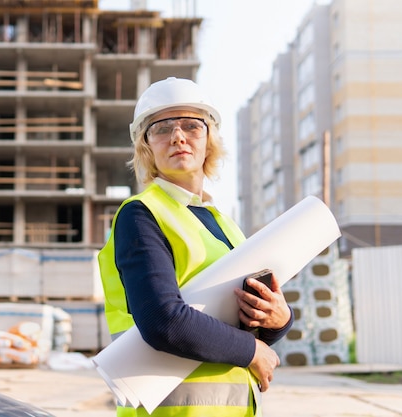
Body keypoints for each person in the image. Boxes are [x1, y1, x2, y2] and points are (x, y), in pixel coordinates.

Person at [98, 77, 294, 417]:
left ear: (208, 140)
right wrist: (250, 350)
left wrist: (279, 319)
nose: (178, 136)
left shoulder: (226, 225)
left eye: (191, 125)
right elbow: (164, 321)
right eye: (162, 128)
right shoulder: (141, 214)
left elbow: (236, 325)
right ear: (146, 145)